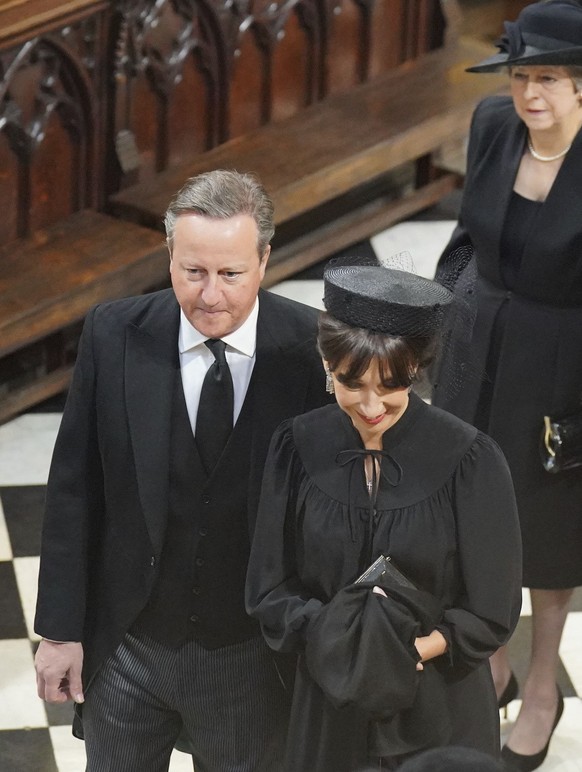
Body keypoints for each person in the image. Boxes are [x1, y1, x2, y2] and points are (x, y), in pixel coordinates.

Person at [33, 169, 331, 772]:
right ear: (169, 254)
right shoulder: (113, 333)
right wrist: (60, 631)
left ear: (265, 259)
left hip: (249, 657)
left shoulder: (312, 350)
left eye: (231, 274)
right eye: (193, 272)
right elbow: (74, 487)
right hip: (127, 647)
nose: (210, 296)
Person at [246, 260, 522, 772]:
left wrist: (409, 650)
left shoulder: (470, 459)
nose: (371, 406)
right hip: (331, 699)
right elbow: (268, 587)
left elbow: (492, 608)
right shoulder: (297, 446)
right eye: (353, 384)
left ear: (415, 372)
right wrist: (337, 638)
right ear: (327, 367)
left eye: (391, 386)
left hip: (441, 705)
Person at [432, 2, 582, 769]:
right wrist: (448, 317)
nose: (530, 94)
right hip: (474, 354)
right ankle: (489, 658)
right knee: (473, 520)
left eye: (548, 79)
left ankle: (545, 684)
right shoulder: (493, 128)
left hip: (562, 374)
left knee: (548, 541)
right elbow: (463, 239)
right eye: (522, 76)